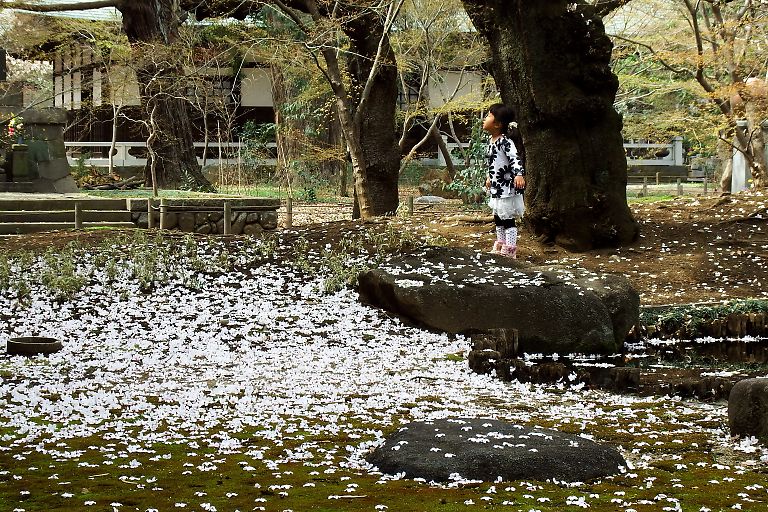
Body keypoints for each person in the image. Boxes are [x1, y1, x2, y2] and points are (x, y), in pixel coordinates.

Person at [483, 103, 526, 258]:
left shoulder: (506, 142)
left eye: (488, 116)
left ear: (497, 124)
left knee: (508, 219)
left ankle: (510, 249)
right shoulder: (490, 141)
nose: (484, 119)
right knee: (498, 217)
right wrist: (489, 177)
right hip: (496, 187)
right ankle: (500, 244)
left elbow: (514, 159)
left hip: (507, 187)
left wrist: (519, 174)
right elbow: (492, 163)